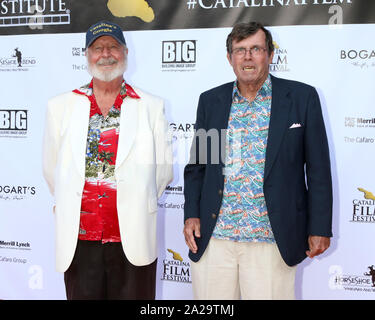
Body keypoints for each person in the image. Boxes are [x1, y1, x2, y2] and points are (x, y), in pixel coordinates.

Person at [183, 22, 333, 300]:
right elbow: (199, 167)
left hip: (271, 239)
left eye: (256, 49)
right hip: (215, 238)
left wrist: (320, 227)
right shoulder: (212, 101)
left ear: (270, 54)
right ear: (230, 58)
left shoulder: (301, 98)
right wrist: (191, 213)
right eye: (240, 50)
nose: (248, 57)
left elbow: (318, 170)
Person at [42, 20, 173, 300]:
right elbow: (52, 169)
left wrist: (134, 200)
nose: (106, 53)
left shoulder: (151, 106)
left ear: (125, 52)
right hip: (80, 241)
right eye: (97, 47)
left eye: (113, 46)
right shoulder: (60, 106)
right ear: (87, 55)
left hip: (132, 238)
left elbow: (163, 172)